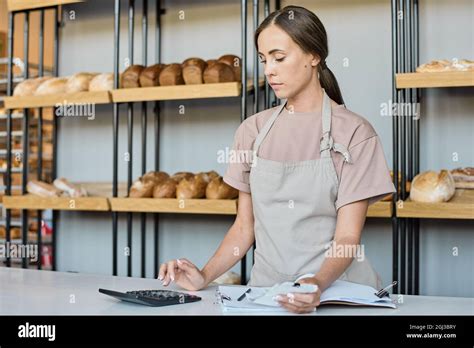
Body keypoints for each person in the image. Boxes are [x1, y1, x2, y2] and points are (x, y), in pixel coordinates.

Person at [158, 5, 396, 314]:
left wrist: (316, 284)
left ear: (314, 56)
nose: (269, 69)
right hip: (265, 297)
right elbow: (245, 227)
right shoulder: (251, 131)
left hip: (338, 297)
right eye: (263, 59)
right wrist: (204, 275)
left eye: (279, 57)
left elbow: (348, 237)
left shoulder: (354, 132)